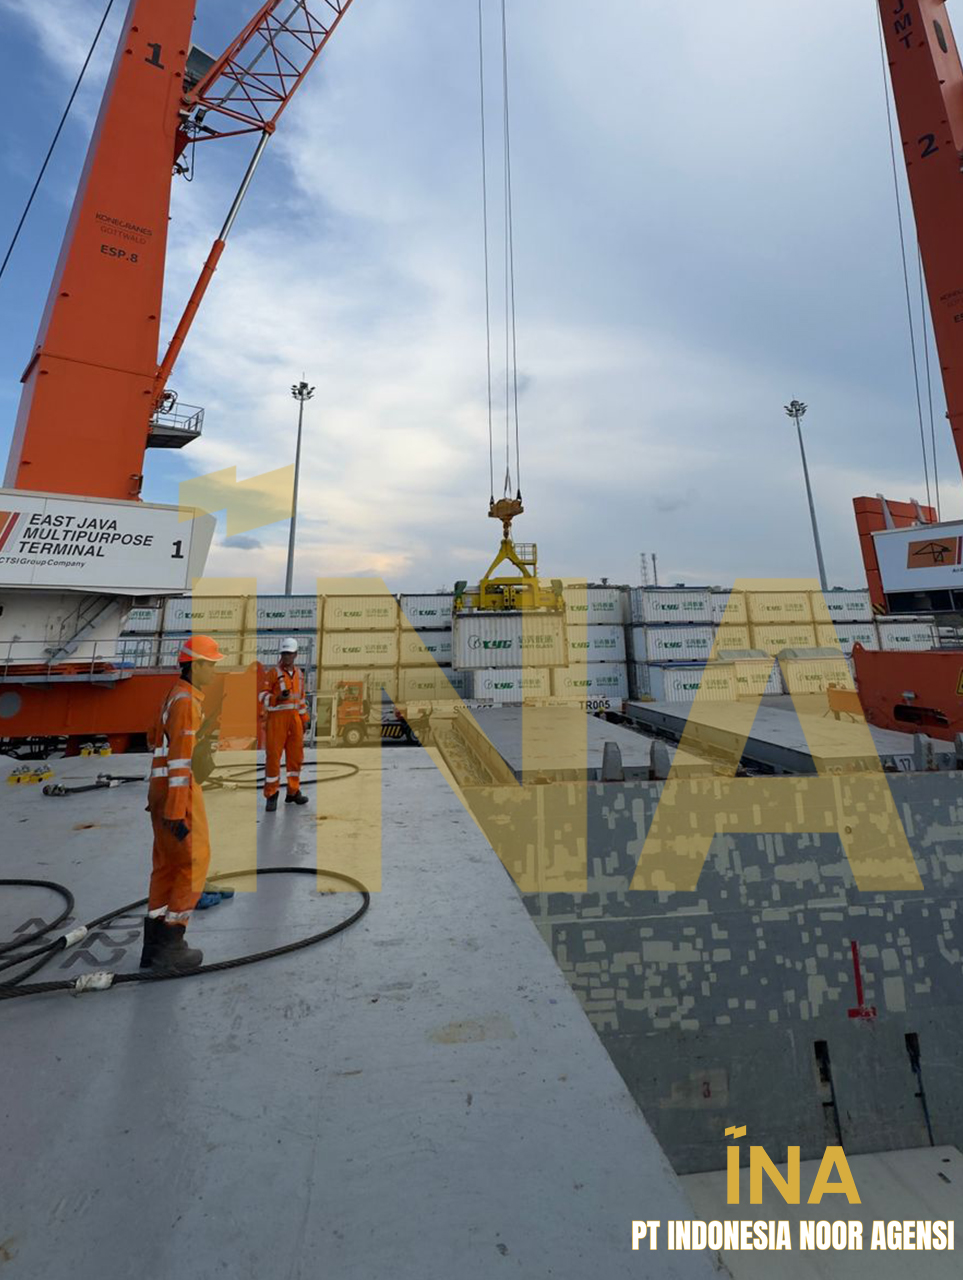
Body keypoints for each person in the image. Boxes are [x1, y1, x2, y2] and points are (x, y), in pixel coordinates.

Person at [139, 635, 223, 974]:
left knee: (165, 866)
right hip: (179, 795)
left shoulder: (173, 695)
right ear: (195, 665)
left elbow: (153, 737)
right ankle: (172, 945)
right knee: (193, 862)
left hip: (159, 793)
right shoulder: (187, 702)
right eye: (211, 665)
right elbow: (179, 764)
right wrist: (176, 812)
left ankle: (153, 944)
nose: (213, 671)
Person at [260, 637, 310, 812]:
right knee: (273, 758)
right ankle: (271, 794)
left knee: (296, 758)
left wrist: (304, 719)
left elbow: (301, 700)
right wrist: (276, 698)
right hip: (277, 720)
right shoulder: (273, 673)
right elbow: (262, 696)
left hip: (295, 721)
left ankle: (293, 792)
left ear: (295, 654)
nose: (286, 656)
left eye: (289, 653)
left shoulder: (300, 675)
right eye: (284, 653)